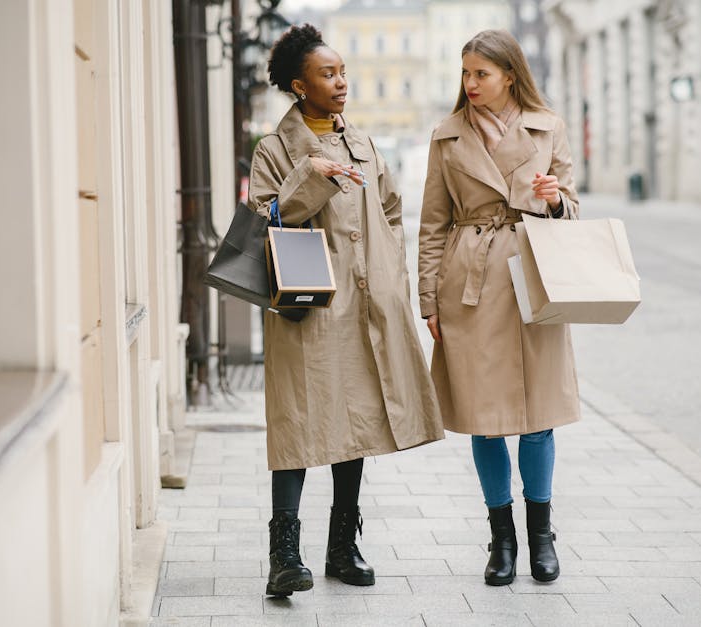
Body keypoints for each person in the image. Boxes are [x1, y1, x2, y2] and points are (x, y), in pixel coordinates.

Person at [248, 24, 445, 598]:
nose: (341, 83)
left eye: (342, 73)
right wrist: (313, 176)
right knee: (298, 421)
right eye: (327, 74)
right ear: (298, 85)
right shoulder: (275, 149)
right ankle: (284, 554)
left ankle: (341, 546)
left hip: (364, 304)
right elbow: (267, 221)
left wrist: (392, 284)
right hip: (307, 305)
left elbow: (389, 214)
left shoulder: (362, 141)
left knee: (354, 423)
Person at [417, 29, 581, 586]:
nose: (470, 84)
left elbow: (573, 208)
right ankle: (501, 541)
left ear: (509, 74)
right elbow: (431, 226)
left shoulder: (548, 127)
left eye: (480, 74)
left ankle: (542, 537)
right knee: (485, 422)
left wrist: (557, 201)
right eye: (465, 74)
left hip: (533, 279)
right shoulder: (447, 137)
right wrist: (428, 300)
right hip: (472, 283)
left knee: (537, 419)